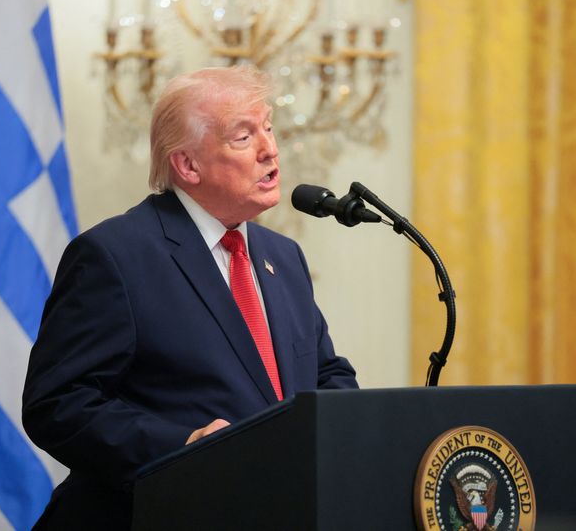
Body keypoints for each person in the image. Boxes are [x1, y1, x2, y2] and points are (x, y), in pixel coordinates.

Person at [21, 65, 358, 529]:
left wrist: (353, 426)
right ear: (187, 165)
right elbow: (57, 403)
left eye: (268, 129)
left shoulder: (283, 257)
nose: (270, 150)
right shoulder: (115, 255)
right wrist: (180, 447)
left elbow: (324, 372)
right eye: (243, 137)